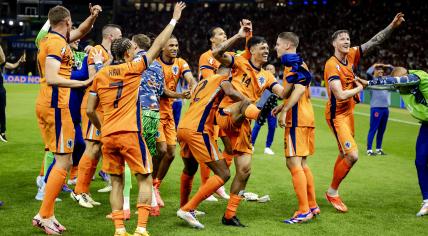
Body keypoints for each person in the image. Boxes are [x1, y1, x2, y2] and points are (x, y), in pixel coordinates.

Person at [86, 3, 186, 235]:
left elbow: (91, 110)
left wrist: (103, 128)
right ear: (128, 53)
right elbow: (159, 44)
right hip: (131, 132)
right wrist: (173, 20)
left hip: (108, 134)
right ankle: (141, 228)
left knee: (117, 182)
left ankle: (119, 229)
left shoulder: (100, 75)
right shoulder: (133, 68)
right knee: (145, 178)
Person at [323, 13, 405, 213]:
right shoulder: (331, 65)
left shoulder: (352, 54)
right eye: (342, 38)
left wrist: (392, 26)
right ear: (334, 43)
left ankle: (332, 191)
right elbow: (341, 95)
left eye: (348, 38)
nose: (346, 41)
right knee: (352, 156)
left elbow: (375, 41)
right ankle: (332, 192)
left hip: (349, 112)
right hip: (337, 115)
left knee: (345, 153)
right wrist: (360, 88)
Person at [31, 4, 102, 235]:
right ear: (67, 21)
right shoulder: (56, 44)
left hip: (52, 105)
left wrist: (92, 18)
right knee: (64, 161)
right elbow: (52, 77)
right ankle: (43, 215)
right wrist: (82, 83)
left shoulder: (53, 39)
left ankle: (48, 213)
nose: (75, 27)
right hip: (56, 106)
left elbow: (82, 31)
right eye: (73, 22)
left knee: (64, 159)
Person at [213, 20, 286, 226]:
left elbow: (282, 92)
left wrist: (296, 84)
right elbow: (217, 54)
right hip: (227, 115)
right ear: (251, 49)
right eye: (262, 48)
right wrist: (238, 35)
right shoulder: (239, 62)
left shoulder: (267, 75)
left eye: (267, 48)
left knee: (244, 170)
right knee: (246, 104)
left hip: (243, 124)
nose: (266, 51)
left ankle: (229, 215)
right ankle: (189, 206)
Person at [176, 66, 247, 229]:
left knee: (189, 169)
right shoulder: (223, 80)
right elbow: (231, 93)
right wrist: (246, 101)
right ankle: (188, 209)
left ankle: (183, 206)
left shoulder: (204, 82)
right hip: (198, 130)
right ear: (229, 72)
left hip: (184, 127)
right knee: (224, 173)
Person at [197, 25, 253, 201]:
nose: (224, 35)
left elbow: (249, 55)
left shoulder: (232, 57)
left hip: (226, 106)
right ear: (212, 39)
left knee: (229, 147)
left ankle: (218, 184)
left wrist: (248, 34)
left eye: (225, 33)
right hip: (210, 107)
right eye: (220, 34)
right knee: (211, 148)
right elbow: (210, 80)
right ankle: (206, 187)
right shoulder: (207, 57)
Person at [71, 23, 122, 208]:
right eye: (119, 35)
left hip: (106, 107)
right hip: (94, 104)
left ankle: (84, 190)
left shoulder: (112, 55)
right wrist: (108, 62)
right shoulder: (96, 52)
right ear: (110, 37)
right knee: (92, 147)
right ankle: (79, 191)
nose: (121, 39)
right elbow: (94, 78)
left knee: (98, 149)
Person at [368, 67, 428, 217]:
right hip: (426, 125)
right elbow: (387, 84)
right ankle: (427, 200)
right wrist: (365, 83)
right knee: (420, 161)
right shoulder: (402, 86)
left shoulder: (419, 76)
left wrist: (371, 81)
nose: (400, 87)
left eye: (401, 83)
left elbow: (399, 81)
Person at [272, 32, 319, 224]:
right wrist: (282, 105)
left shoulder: (292, 61)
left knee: (293, 163)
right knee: (302, 164)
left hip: (297, 119)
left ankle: (303, 210)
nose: (275, 47)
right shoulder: (296, 62)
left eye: (277, 44)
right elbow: (292, 89)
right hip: (306, 117)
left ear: (288, 45)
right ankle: (312, 205)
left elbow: (299, 89)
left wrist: (285, 111)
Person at [152, 34, 197, 208]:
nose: (174, 48)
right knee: (161, 149)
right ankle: (149, 184)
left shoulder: (180, 62)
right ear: (162, 47)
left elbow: (189, 77)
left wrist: (193, 86)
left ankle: (155, 185)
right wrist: (180, 95)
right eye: (171, 45)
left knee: (171, 153)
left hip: (168, 114)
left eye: (176, 45)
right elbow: (161, 90)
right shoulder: (155, 64)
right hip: (153, 112)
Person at [251, 64, 279, 155]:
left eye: (271, 69)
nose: (269, 70)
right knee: (257, 126)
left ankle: (268, 147)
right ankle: (251, 145)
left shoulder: (276, 82)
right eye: (267, 69)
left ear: (274, 71)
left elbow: (279, 96)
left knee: (272, 127)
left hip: (272, 108)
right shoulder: (261, 79)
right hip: (261, 107)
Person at [366, 63, 393, 156]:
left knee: (382, 130)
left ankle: (378, 149)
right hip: (376, 108)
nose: (381, 71)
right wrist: (375, 65)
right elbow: (368, 72)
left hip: (385, 109)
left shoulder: (385, 80)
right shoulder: (372, 80)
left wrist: (388, 66)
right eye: (378, 70)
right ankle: (369, 150)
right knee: (373, 129)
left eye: (382, 70)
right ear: (375, 72)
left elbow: (395, 73)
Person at [0, 46, 25, 142]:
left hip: (0, 89)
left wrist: (19, 61)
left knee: (2, 111)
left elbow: (9, 64)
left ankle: (2, 132)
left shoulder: (1, 63)